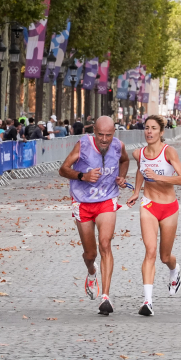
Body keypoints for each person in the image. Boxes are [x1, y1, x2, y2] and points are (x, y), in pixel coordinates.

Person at [59, 115, 130, 315]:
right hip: (82, 201)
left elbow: (124, 161)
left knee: (105, 244)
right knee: (91, 254)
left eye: (108, 135)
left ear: (114, 133)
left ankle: (105, 297)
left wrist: (122, 177)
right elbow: (63, 169)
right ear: (94, 132)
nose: (105, 139)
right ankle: (91, 271)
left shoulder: (119, 146)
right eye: (100, 135)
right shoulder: (82, 145)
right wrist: (83, 176)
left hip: (107, 199)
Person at [126, 115, 181, 316]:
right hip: (149, 205)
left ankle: (174, 269)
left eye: (153, 128)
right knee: (150, 251)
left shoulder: (169, 152)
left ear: (161, 132)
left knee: (164, 256)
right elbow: (140, 171)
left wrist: (158, 176)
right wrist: (136, 191)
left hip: (169, 207)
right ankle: (147, 302)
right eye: (146, 128)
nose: (149, 132)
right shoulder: (139, 153)